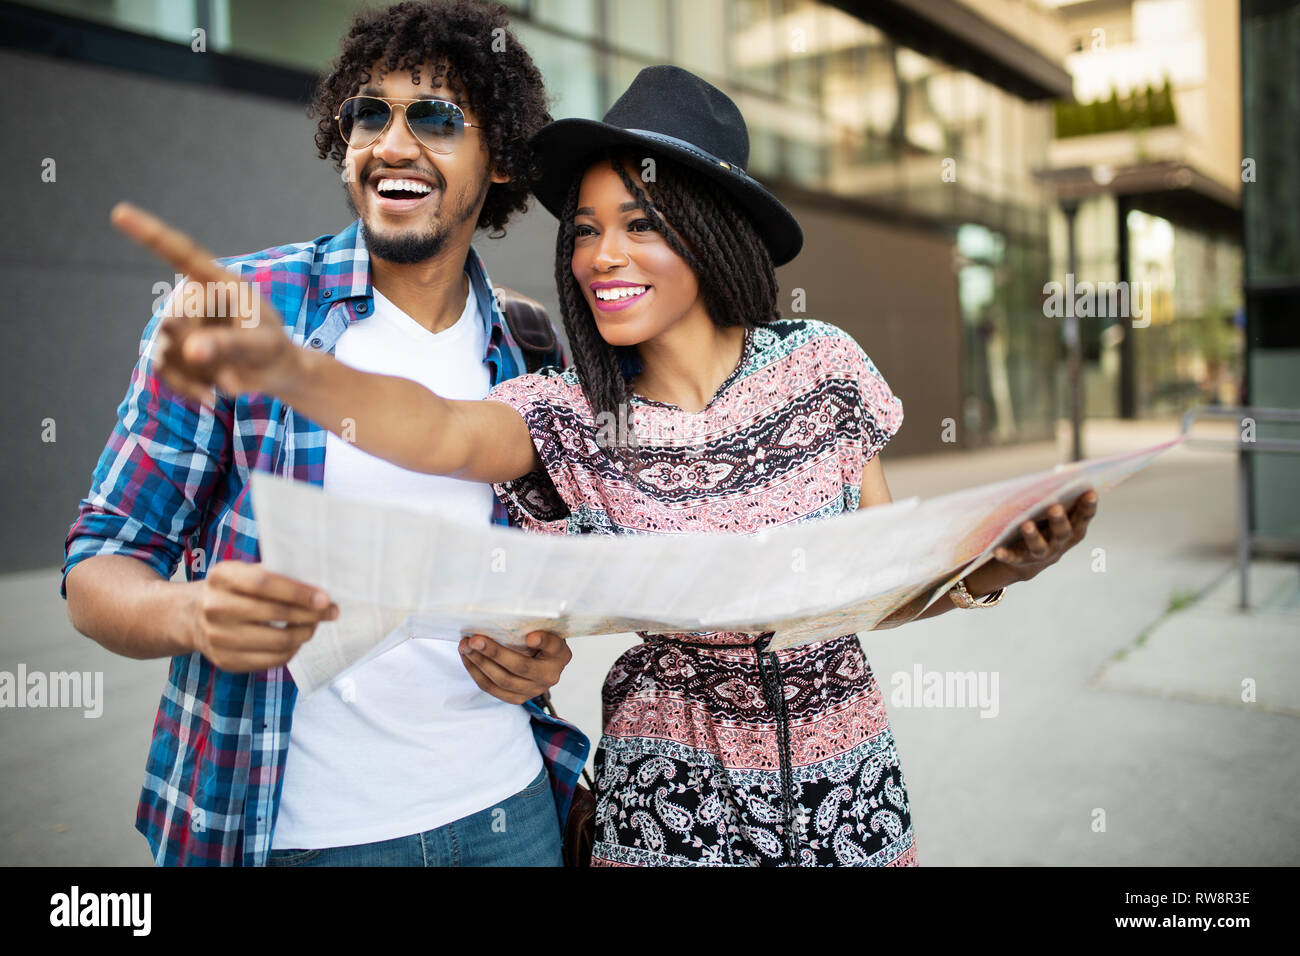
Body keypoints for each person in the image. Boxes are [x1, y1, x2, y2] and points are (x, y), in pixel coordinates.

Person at [120, 66, 1100, 867]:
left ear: (712, 230)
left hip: (851, 793)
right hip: (663, 809)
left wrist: (988, 571)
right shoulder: (568, 413)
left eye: (639, 222)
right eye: (584, 228)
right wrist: (290, 366)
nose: (600, 255)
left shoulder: (823, 364)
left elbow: (874, 585)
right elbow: (431, 427)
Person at [61, 0, 587, 867]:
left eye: (438, 117)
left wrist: (541, 656)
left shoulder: (527, 344)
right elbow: (97, 568)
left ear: (499, 163)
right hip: (304, 836)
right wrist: (192, 613)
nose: (391, 141)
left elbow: (543, 575)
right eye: (369, 112)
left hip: (510, 809)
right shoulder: (241, 311)